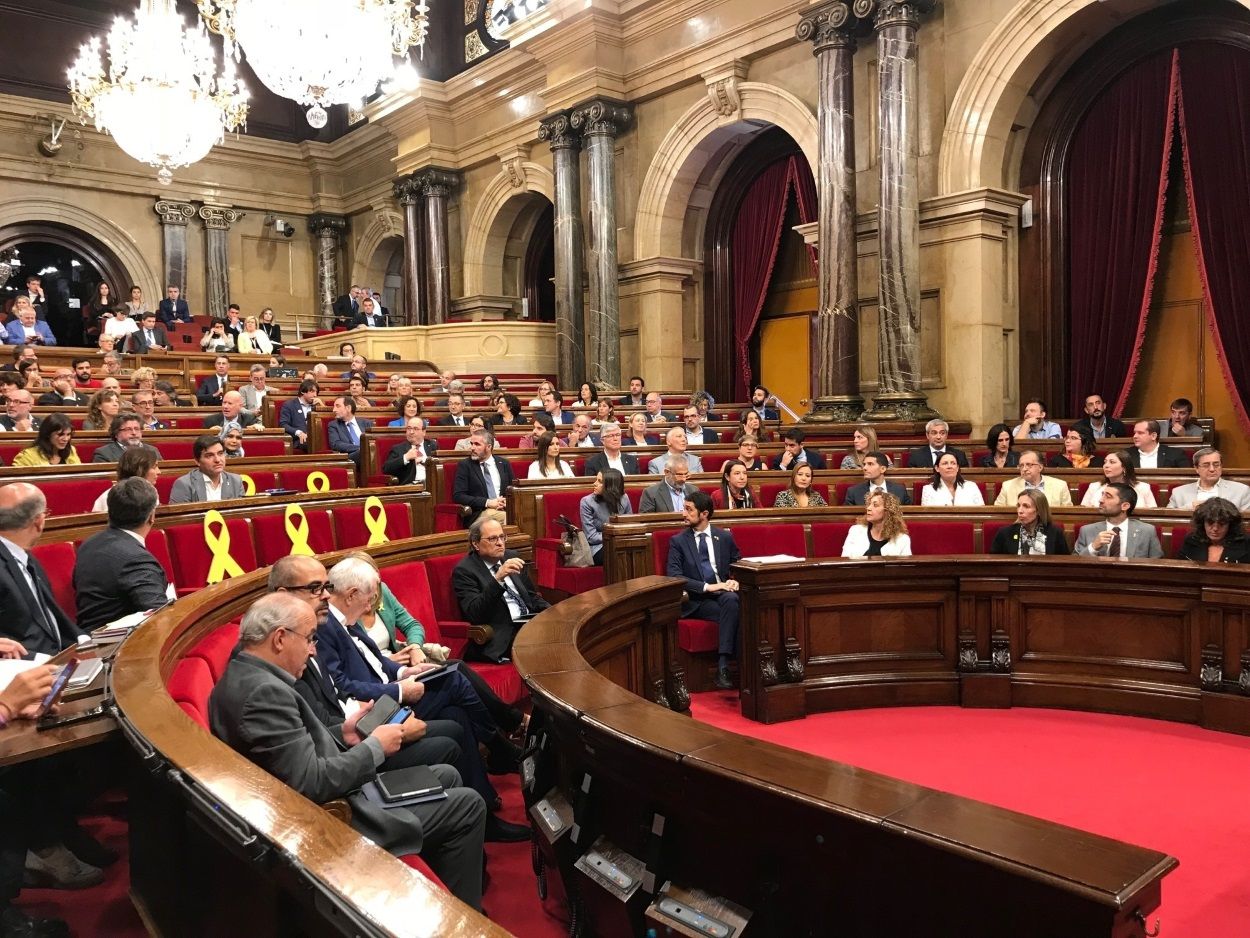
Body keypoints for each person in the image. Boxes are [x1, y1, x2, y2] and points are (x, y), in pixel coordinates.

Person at [209, 592, 488, 909]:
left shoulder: (244, 674)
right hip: (332, 821)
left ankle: (432, 900)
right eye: (310, 639)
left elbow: (296, 749)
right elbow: (311, 783)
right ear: (280, 639)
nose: (314, 649)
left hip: (330, 793)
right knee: (468, 805)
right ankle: (464, 921)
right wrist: (375, 747)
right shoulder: (264, 693)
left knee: (447, 775)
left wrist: (343, 732)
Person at [73, 478, 172, 631]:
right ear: (152, 516)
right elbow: (160, 618)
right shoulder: (137, 560)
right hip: (116, 646)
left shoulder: (89, 543)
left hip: (87, 637)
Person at [667, 490, 741, 689]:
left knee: (733, 601)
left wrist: (735, 581)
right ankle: (730, 666)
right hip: (697, 600)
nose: (684, 514)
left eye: (689, 510)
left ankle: (724, 666)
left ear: (704, 514)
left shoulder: (724, 537)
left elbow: (737, 565)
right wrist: (709, 586)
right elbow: (675, 576)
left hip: (724, 595)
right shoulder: (678, 541)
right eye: (684, 508)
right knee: (737, 612)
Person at [452, 518, 551, 663]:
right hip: (503, 636)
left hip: (528, 623)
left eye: (502, 537)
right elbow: (474, 613)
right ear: (475, 543)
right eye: (492, 539)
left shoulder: (511, 557)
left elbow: (531, 597)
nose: (500, 543)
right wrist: (498, 579)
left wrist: (553, 613)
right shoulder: (464, 571)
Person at [0, 482, 79, 657]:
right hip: (26, 668)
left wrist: (87, 643)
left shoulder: (25, 557)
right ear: (39, 521)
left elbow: (52, 617)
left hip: (60, 658)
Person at [1074, 483, 1163, 559]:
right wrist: (1093, 548)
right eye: (1102, 495)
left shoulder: (1147, 531)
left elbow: (1157, 563)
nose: (1100, 500)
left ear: (1124, 506)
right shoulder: (1086, 530)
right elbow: (1074, 563)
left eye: (1108, 496)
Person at [452, 428, 514, 525]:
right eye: (471, 444)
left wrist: (506, 502)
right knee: (510, 517)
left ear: (489, 447)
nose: (472, 448)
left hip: (503, 508)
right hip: (479, 512)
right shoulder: (465, 465)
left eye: (477, 444)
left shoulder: (503, 463)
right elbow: (459, 496)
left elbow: (512, 489)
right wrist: (488, 502)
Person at [169, 435, 246, 503]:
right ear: (197, 461)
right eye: (209, 455)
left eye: (220, 453)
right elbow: (181, 518)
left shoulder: (236, 481)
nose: (217, 460)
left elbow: (241, 514)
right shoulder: (184, 484)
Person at [1167, 447, 1250, 510]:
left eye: (1216, 464)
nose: (1212, 469)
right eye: (1206, 465)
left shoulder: (1241, 490)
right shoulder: (1179, 493)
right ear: (1196, 468)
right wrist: (1190, 507)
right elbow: (1168, 519)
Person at [990, 490, 1069, 555]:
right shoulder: (1005, 533)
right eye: (1018, 506)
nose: (1020, 511)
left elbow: (1064, 564)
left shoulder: (1055, 533)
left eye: (1026, 506)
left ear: (1039, 510)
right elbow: (994, 565)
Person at [581, 469, 632, 565]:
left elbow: (630, 526)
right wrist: (615, 536)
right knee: (617, 554)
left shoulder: (624, 498)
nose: (594, 484)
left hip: (622, 543)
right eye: (596, 480)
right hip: (598, 547)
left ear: (610, 486)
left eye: (599, 481)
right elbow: (591, 537)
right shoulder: (587, 502)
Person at [1176, 497, 1250, 563]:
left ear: (1230, 525)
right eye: (1210, 523)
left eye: (1221, 524)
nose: (1215, 529)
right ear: (1202, 523)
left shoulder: (1244, 543)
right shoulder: (1192, 540)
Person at [91, 445, 162, 513]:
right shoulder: (113, 497)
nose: (159, 472)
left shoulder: (151, 491)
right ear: (139, 469)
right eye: (154, 467)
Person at [841, 491, 911, 557]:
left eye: (875, 505)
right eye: (869, 504)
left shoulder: (902, 539)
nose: (868, 508)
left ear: (887, 511)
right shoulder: (855, 531)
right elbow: (845, 561)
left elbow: (906, 568)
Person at [1080, 449, 1157, 510]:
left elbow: (1153, 514)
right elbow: (1083, 513)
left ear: (1124, 467)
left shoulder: (1143, 487)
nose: (1106, 466)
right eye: (1105, 462)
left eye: (1112, 462)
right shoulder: (1094, 487)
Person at [993, 450, 1074, 507]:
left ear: (1040, 467)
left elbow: (1068, 515)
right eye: (1021, 465)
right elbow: (998, 512)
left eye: (1029, 464)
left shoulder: (1060, 486)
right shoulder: (1007, 486)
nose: (1024, 469)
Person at [843, 451, 912, 506]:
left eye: (870, 464)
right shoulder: (853, 492)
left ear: (882, 469)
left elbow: (909, 515)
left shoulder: (899, 490)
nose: (864, 468)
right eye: (864, 464)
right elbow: (848, 519)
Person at [384, 416, 436, 485]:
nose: (411, 432)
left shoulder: (432, 445)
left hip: (433, 484)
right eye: (409, 428)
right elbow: (386, 468)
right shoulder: (398, 448)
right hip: (411, 486)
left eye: (415, 429)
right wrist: (406, 457)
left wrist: (425, 461)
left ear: (423, 432)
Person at [91, 412, 163, 463]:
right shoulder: (104, 453)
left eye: (137, 429)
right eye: (128, 429)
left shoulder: (152, 450)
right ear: (116, 433)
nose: (134, 433)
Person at [12, 414, 79, 467]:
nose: (66, 439)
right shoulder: (28, 455)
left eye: (68, 434)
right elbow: (17, 482)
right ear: (48, 434)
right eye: (60, 434)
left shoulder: (71, 450)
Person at [921, 452, 985, 506]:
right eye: (945, 463)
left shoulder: (971, 486)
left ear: (957, 468)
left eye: (953, 463)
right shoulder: (928, 490)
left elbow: (981, 513)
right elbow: (927, 517)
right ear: (937, 468)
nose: (949, 466)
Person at [326, 397, 372, 466]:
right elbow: (336, 444)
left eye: (337, 406)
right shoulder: (334, 425)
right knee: (366, 452)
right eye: (334, 407)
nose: (334, 410)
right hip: (350, 457)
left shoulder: (366, 423)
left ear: (348, 408)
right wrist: (361, 448)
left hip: (368, 453)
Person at [280, 379, 321, 452]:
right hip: (298, 440)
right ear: (302, 391)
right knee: (311, 442)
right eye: (312, 391)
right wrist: (298, 432)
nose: (315, 395)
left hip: (316, 438)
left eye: (316, 392)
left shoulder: (316, 406)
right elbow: (283, 424)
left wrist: (322, 406)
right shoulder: (289, 405)